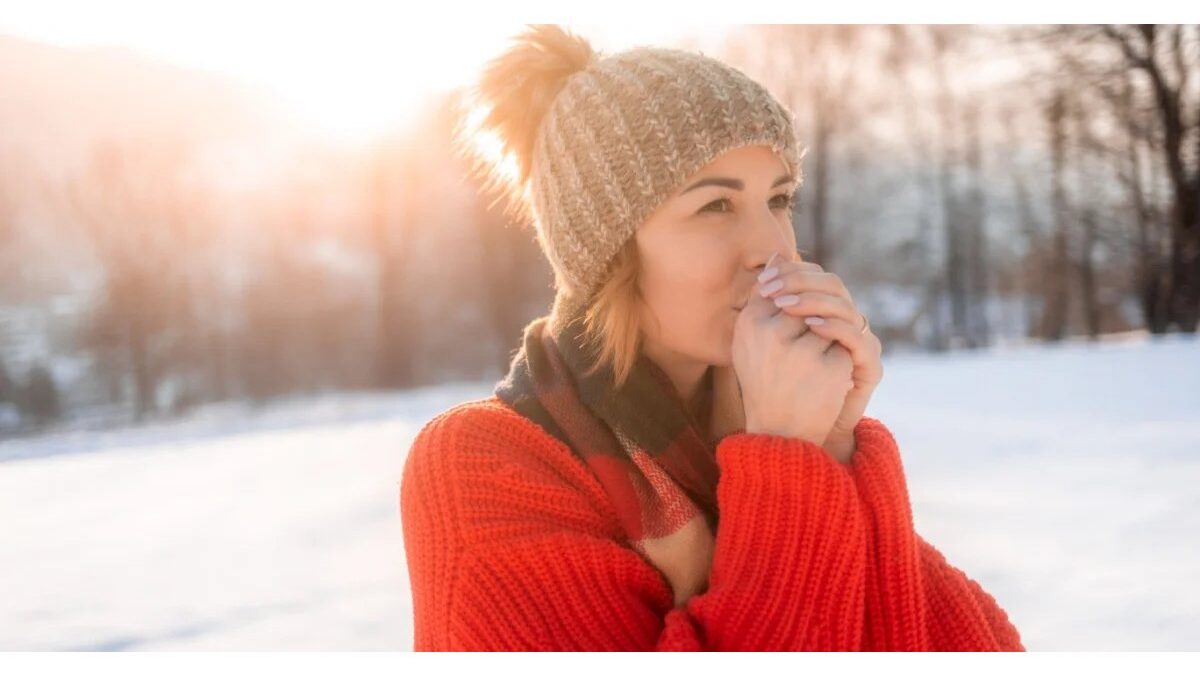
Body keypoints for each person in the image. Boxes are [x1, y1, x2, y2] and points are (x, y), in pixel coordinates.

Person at [399, 24, 1024, 651]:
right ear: (610, 254)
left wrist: (832, 453)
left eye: (778, 200)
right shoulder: (480, 464)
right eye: (714, 207)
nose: (773, 249)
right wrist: (786, 469)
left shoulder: (753, 426)